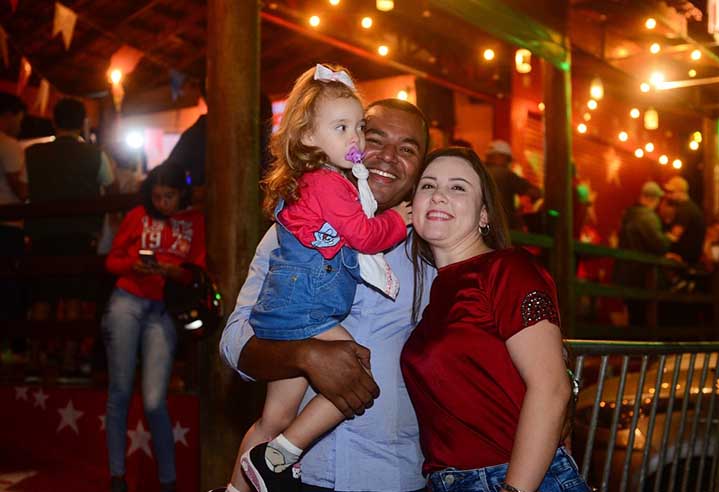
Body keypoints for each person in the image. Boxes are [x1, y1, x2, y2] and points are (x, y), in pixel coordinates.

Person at [219, 97, 430, 492]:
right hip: (303, 475)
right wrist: (306, 356)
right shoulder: (294, 229)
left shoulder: (433, 251)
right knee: (273, 420)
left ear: (420, 168)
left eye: (407, 149)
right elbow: (234, 343)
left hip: (390, 474)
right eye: (374, 138)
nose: (388, 157)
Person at [401, 147, 588, 492]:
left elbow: (551, 387)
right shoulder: (436, 293)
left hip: (513, 479)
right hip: (449, 482)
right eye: (428, 185)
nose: (439, 195)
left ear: (484, 215)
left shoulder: (507, 269)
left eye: (458, 187)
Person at [102, 162, 206, 492]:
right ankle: (117, 477)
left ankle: (168, 482)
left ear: (182, 194)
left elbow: (197, 271)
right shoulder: (137, 215)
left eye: (169, 196)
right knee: (119, 391)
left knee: (154, 400)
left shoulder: (194, 221)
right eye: (157, 196)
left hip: (164, 310)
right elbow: (111, 261)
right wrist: (133, 265)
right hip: (127, 300)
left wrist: (173, 272)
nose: (162, 203)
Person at [25, 97, 118, 321]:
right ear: (83, 122)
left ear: (54, 121)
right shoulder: (95, 154)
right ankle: (70, 345)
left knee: (41, 298)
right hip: (81, 234)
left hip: (41, 233)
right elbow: (112, 189)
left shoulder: (32, 153)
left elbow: (22, 190)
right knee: (74, 297)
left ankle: (37, 345)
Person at [613, 181, 671, 326]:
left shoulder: (629, 214)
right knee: (643, 318)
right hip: (641, 275)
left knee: (633, 315)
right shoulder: (648, 217)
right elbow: (659, 245)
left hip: (626, 273)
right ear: (654, 199)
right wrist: (669, 239)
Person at [0, 92, 27, 321]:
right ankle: (14, 336)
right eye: (19, 119)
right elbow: (20, 189)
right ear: (9, 115)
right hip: (8, 225)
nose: (20, 125)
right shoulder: (8, 145)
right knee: (11, 285)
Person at [483, 139, 541, 230]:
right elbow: (535, 192)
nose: (509, 163)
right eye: (508, 159)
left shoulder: (477, 172)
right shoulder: (506, 175)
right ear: (501, 157)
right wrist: (521, 209)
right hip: (503, 228)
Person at [661, 176, 705, 265]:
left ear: (681, 192)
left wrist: (655, 239)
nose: (667, 195)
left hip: (684, 260)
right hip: (687, 258)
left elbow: (674, 236)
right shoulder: (688, 207)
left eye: (671, 192)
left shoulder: (685, 210)